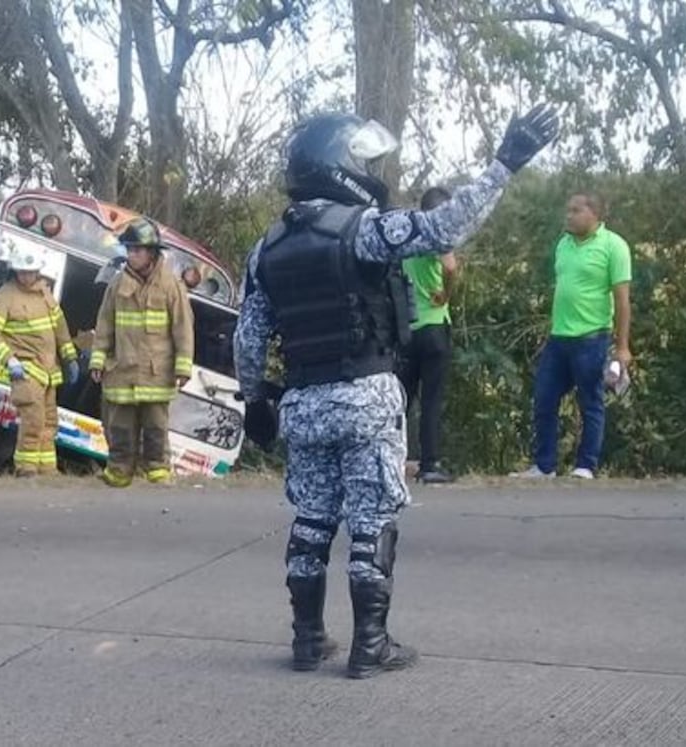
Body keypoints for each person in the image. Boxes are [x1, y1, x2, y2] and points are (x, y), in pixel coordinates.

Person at [234, 105, 559, 678]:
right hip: (366, 397)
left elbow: (249, 333)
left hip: (303, 406)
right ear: (340, 164)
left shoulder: (266, 249)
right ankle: (370, 645)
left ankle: (307, 641)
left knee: (310, 519)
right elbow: (444, 227)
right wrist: (505, 164)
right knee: (371, 519)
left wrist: (255, 397)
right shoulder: (363, 229)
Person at [512, 193, 631, 479]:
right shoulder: (563, 245)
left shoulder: (613, 246)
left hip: (592, 339)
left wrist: (622, 346)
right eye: (568, 210)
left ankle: (585, 466)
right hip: (559, 338)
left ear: (594, 214)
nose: (569, 215)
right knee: (544, 397)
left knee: (590, 401)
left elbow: (623, 300)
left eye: (576, 210)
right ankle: (544, 466)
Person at [88, 217, 194, 487]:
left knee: (156, 427)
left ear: (151, 253)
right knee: (120, 426)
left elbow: (183, 328)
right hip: (122, 370)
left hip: (156, 373)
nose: (131, 255)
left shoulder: (171, 286)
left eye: (137, 250)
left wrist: (183, 367)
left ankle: (157, 471)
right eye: (129, 250)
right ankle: (119, 472)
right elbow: (104, 325)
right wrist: (97, 360)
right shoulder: (116, 284)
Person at [0, 248, 79, 476]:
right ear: (15, 271)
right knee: (33, 420)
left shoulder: (45, 293)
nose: (27, 276)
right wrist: (10, 360)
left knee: (49, 422)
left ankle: (47, 470)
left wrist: (69, 356)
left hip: (48, 371)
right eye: (23, 272)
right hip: (25, 369)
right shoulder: (4, 297)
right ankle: (26, 469)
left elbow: (60, 328)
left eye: (32, 272)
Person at [398, 187, 461, 484]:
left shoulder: (407, 232)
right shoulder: (438, 233)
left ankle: (389, 458)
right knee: (431, 400)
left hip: (407, 328)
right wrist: (446, 295)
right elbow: (450, 266)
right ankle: (430, 464)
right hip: (435, 325)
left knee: (401, 399)